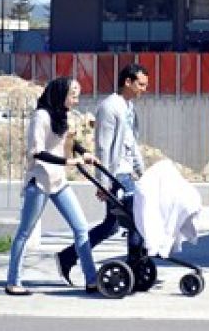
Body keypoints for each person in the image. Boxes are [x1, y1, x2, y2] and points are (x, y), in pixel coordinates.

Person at [56, 64, 149, 284]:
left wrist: (141, 170)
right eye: (141, 84)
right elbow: (104, 147)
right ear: (127, 82)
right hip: (117, 175)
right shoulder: (109, 107)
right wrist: (103, 182)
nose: (144, 89)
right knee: (137, 220)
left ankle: (67, 256)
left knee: (112, 225)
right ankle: (134, 266)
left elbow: (131, 142)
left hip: (127, 174)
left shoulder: (129, 108)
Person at [6, 77, 99, 296]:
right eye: (73, 95)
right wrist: (68, 162)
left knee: (81, 227)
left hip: (58, 182)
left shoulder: (61, 115)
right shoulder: (41, 116)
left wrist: (84, 152)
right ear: (60, 94)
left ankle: (92, 279)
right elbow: (37, 152)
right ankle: (13, 282)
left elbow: (65, 141)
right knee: (24, 232)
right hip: (40, 181)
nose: (76, 100)